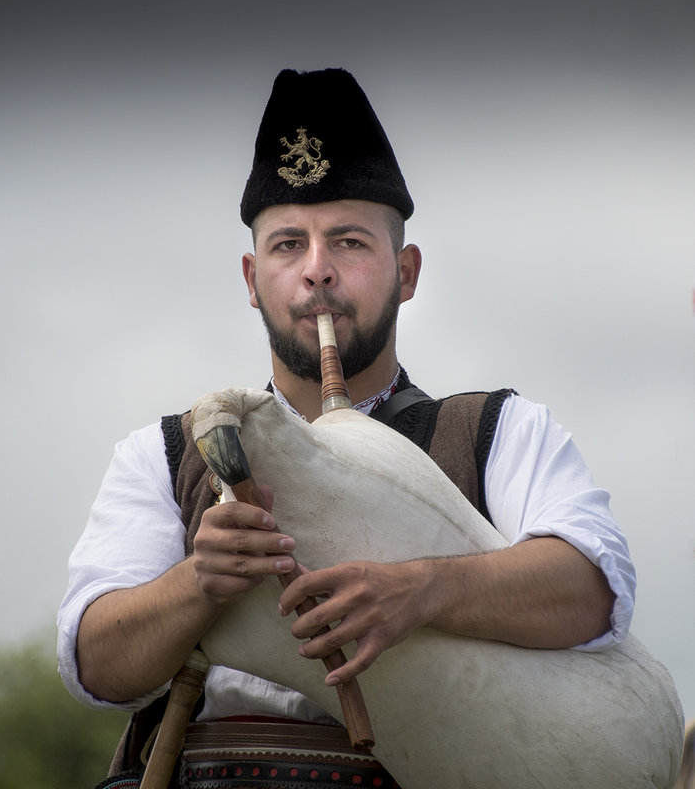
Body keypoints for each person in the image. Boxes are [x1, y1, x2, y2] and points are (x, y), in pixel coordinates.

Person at [57, 68, 635, 783]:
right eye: (287, 245)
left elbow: (593, 590)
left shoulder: (496, 432)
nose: (318, 271)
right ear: (251, 279)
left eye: (350, 242)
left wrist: (423, 590)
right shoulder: (164, 453)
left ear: (407, 271)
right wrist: (199, 582)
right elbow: (96, 668)